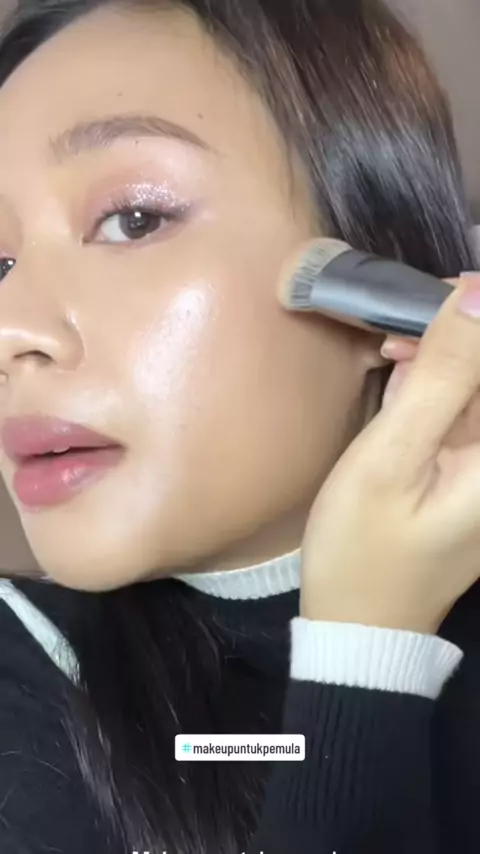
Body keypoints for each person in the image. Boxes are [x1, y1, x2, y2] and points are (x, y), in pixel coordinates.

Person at [0, 0, 478, 852]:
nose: (10, 329)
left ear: (377, 284)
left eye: (133, 219)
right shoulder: (29, 673)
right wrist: (365, 649)